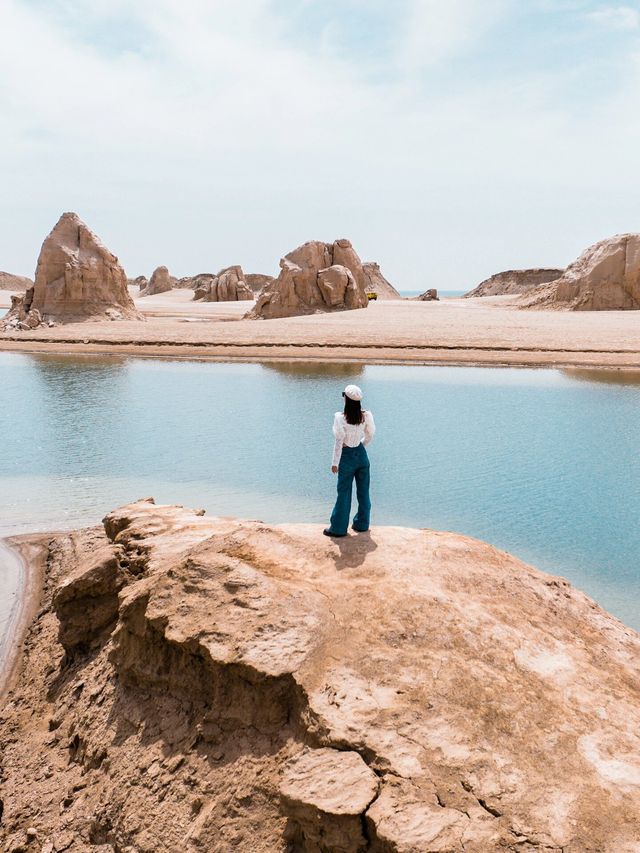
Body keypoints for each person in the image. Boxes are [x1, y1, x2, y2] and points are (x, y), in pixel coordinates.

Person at [324, 384, 375, 538]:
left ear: (345, 398)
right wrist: (361, 447)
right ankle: (362, 524)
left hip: (346, 456)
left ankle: (338, 528)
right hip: (361, 455)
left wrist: (334, 463)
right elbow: (370, 434)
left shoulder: (340, 417)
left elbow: (339, 441)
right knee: (364, 491)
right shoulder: (366, 415)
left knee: (344, 492)